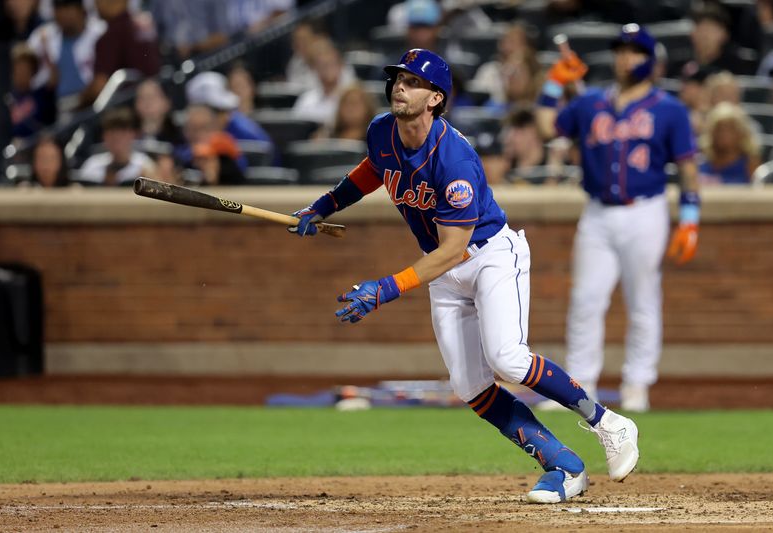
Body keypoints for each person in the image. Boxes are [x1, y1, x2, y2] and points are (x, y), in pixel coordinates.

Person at [288, 48, 640, 504]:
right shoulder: (382, 131)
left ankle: (608, 423)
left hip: (488, 255)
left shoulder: (454, 160)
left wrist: (386, 289)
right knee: (470, 387)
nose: (400, 86)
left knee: (508, 359)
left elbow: (455, 248)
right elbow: (372, 171)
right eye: (398, 78)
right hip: (443, 265)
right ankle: (564, 466)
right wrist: (324, 206)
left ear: (435, 98)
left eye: (412, 81)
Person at [535, 25, 701, 413]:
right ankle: (579, 387)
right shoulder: (590, 102)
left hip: (646, 209)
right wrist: (555, 83)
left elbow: (688, 167)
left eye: (635, 52)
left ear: (651, 60)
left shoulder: (669, 109)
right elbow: (547, 126)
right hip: (597, 212)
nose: (626, 58)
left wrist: (690, 217)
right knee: (585, 300)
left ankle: (637, 385)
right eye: (621, 51)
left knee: (642, 299)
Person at [27, 0, 106, 110]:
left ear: (81, 9)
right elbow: (28, 80)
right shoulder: (41, 37)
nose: (63, 13)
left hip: (96, 102)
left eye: (68, 7)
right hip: (57, 106)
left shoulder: (101, 32)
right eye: (58, 8)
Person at [76, 107, 156, 185]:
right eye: (112, 132)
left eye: (122, 132)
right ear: (104, 137)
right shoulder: (92, 165)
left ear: (133, 134)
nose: (117, 137)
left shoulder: (145, 165)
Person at [698, 102, 761, 184]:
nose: (724, 134)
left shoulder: (750, 164)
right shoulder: (701, 162)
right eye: (719, 129)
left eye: (730, 129)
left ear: (741, 133)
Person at [313, 84, 378, 141]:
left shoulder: (376, 139)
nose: (350, 108)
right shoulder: (328, 137)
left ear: (367, 108)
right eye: (346, 103)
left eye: (355, 103)